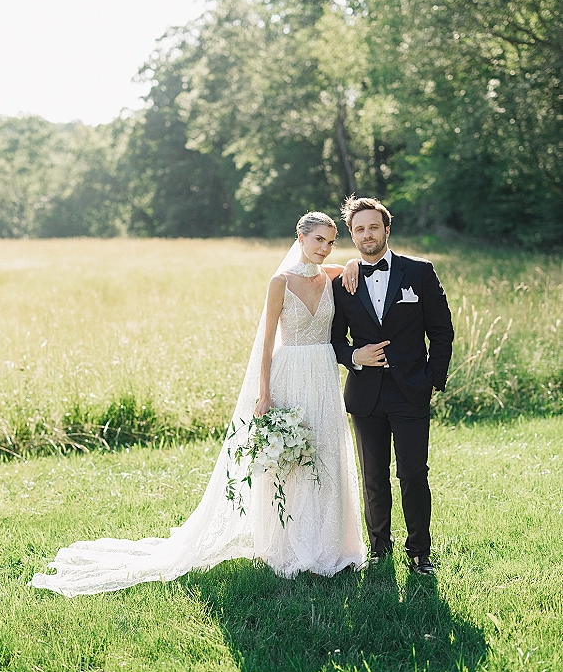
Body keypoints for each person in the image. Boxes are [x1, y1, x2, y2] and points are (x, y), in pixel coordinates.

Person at [30, 212, 366, 596]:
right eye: (318, 240)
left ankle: (329, 545)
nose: (324, 248)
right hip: (288, 373)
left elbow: (355, 264)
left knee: (325, 450)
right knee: (288, 461)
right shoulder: (280, 282)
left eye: (330, 241)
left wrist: (353, 260)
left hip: (322, 373)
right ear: (301, 238)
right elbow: (267, 343)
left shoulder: (334, 275)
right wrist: (265, 393)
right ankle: (285, 546)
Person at [331, 196, 454, 575]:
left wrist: (433, 379)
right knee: (373, 476)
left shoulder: (419, 272)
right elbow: (333, 340)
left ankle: (419, 552)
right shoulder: (343, 282)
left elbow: (441, 331)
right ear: (352, 236)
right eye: (359, 229)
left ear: (387, 229)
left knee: (414, 473)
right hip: (365, 394)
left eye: (373, 227)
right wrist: (355, 356)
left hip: (411, 389)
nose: (367, 234)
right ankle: (379, 549)